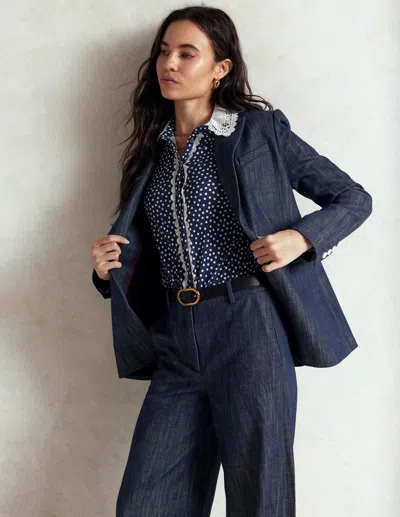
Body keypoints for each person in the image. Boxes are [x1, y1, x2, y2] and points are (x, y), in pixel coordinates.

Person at [90, 5, 372, 517]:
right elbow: (148, 251)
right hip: (176, 338)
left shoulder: (259, 133)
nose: (169, 63)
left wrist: (301, 238)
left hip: (250, 329)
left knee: (259, 497)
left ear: (220, 69)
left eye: (187, 54)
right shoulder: (151, 150)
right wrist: (106, 268)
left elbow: (352, 198)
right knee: (145, 503)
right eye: (164, 51)